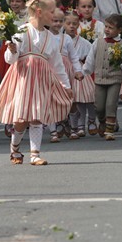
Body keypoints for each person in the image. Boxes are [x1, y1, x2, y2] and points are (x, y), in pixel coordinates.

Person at [0, 0, 73, 166]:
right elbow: (10, 59)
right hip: (23, 79)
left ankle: (35, 154)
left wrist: (66, 85)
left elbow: (57, 65)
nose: (54, 14)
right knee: (20, 120)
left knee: (37, 116)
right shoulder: (22, 31)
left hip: (41, 80)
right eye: (51, 11)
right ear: (40, 12)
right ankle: (15, 148)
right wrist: (11, 49)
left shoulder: (51, 39)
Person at [82, 14, 122, 140]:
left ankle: (109, 131)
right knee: (99, 106)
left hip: (114, 79)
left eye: (111, 27)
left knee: (111, 104)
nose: (107, 29)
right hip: (100, 79)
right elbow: (91, 59)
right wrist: (84, 71)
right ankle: (102, 120)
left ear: (119, 30)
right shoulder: (98, 42)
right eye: (106, 26)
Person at [48, 8, 83, 143]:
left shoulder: (66, 38)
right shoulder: (44, 35)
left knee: (69, 100)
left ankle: (73, 127)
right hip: (50, 70)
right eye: (54, 21)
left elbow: (74, 57)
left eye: (60, 21)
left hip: (65, 70)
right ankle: (53, 130)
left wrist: (78, 70)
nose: (57, 24)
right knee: (51, 100)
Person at [62, 10, 95, 137]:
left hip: (79, 70)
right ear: (64, 24)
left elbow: (90, 58)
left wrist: (86, 70)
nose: (71, 26)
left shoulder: (84, 43)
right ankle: (74, 125)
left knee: (85, 98)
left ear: (78, 25)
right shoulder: (59, 40)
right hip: (65, 70)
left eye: (74, 24)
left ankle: (89, 121)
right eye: (68, 23)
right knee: (72, 100)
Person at [0, 0, 30, 79]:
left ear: (24, 3)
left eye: (18, 1)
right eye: (12, 1)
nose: (14, 4)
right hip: (7, 51)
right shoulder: (7, 17)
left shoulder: (29, 18)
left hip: (22, 52)